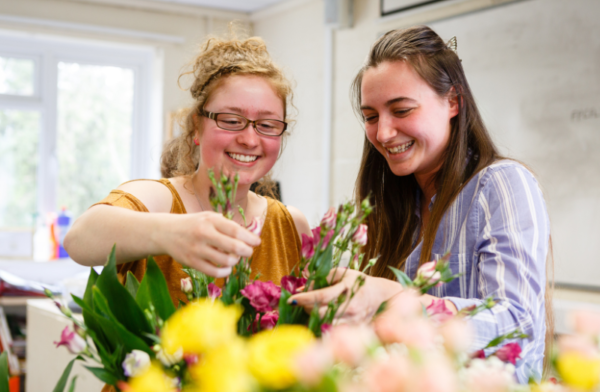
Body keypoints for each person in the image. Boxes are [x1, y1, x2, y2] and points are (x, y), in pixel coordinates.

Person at [290, 26, 551, 383]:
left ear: (453, 102)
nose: (383, 133)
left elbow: (518, 323)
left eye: (401, 110)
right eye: (370, 117)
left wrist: (401, 301)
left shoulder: (501, 184)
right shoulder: (393, 204)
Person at [65, 34, 311, 305]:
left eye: (267, 125)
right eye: (231, 120)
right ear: (196, 127)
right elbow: (79, 240)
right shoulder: (159, 199)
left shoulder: (291, 225)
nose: (250, 140)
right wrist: (172, 233)